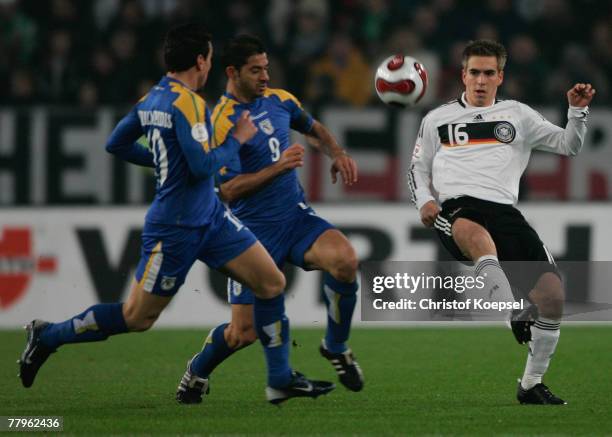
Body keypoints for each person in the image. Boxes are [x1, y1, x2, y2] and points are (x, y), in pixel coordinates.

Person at [18, 23, 334, 403]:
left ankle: (280, 378)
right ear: (200, 61)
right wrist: (237, 140)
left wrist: (162, 161)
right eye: (210, 59)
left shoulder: (151, 99)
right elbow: (204, 168)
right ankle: (47, 335)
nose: (209, 67)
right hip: (175, 228)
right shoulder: (190, 104)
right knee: (137, 317)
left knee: (270, 283)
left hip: (213, 219)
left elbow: (116, 143)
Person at [175, 34, 363, 405]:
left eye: (266, 68)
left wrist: (336, 153)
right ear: (232, 72)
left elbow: (314, 128)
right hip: (249, 236)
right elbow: (228, 190)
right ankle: (197, 370)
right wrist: (279, 168)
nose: (264, 77)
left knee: (345, 261)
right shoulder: (221, 121)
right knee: (242, 332)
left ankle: (335, 346)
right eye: (255, 70)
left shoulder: (280, 100)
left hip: (294, 218)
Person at [408, 39, 595, 405]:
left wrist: (575, 113)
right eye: (474, 72)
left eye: (488, 73)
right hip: (458, 209)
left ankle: (530, 384)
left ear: (500, 77)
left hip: (505, 212)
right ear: (463, 75)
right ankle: (512, 307)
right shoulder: (437, 119)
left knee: (553, 297)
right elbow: (417, 166)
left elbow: (568, 146)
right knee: (475, 236)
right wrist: (424, 200)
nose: (480, 81)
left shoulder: (518, 115)